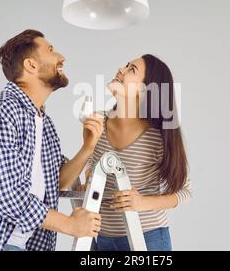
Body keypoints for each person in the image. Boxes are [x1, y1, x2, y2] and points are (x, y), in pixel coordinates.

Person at [0, 29, 104, 251]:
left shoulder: (43, 123)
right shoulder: (2, 110)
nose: (61, 57)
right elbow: (9, 195)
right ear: (31, 65)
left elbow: (55, 183)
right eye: (50, 50)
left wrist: (88, 147)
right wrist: (69, 224)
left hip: (22, 244)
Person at [82, 54, 192, 251]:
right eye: (125, 65)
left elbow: (185, 191)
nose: (121, 69)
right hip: (103, 239)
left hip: (148, 239)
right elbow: (92, 161)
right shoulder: (98, 122)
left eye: (131, 69)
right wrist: (90, 176)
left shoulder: (157, 138)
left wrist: (142, 203)